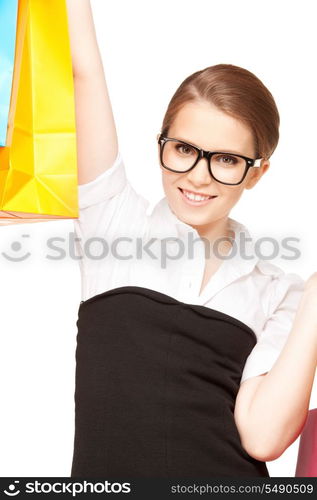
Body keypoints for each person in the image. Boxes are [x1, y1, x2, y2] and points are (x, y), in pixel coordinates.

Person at [66, 0, 317, 478]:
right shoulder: (114, 222)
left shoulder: (277, 289)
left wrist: (315, 300)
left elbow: (264, 438)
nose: (197, 177)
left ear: (256, 174)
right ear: (161, 144)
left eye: (225, 159)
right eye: (183, 149)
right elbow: (82, 72)